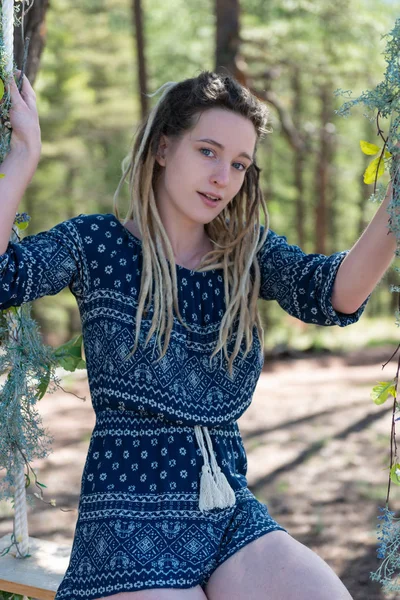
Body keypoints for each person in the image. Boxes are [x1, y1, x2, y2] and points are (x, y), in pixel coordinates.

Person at [0, 69, 396, 600]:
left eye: (238, 164)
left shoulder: (246, 255)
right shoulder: (95, 243)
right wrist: (24, 156)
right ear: (164, 148)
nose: (222, 177)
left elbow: (335, 294)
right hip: (129, 517)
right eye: (208, 151)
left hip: (226, 511)